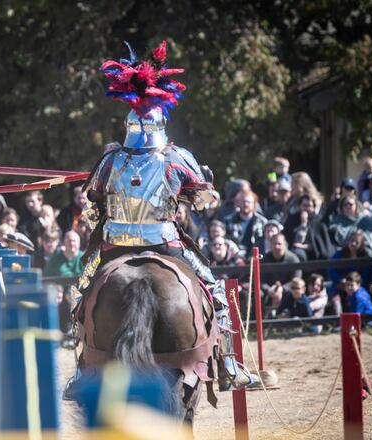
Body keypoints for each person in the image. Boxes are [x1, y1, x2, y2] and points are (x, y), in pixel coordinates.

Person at [80, 41, 257, 390]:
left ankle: (81, 371)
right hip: (165, 242)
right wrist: (200, 189)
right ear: (163, 121)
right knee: (215, 291)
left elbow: (92, 204)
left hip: (115, 243)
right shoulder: (176, 157)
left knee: (81, 292)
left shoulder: (110, 160)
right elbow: (205, 197)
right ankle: (230, 366)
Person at [260, 233, 302, 311]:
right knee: (258, 295)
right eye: (274, 244)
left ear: (285, 244)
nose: (276, 247)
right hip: (268, 291)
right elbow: (261, 281)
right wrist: (269, 290)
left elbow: (296, 279)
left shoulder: (293, 259)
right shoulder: (265, 260)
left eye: (279, 244)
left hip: (287, 290)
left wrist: (282, 289)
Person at [224, 188, 268, 258]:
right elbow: (225, 240)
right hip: (235, 259)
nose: (246, 204)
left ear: (254, 204)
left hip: (257, 258)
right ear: (238, 203)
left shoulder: (262, 221)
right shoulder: (228, 220)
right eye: (243, 201)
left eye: (249, 202)